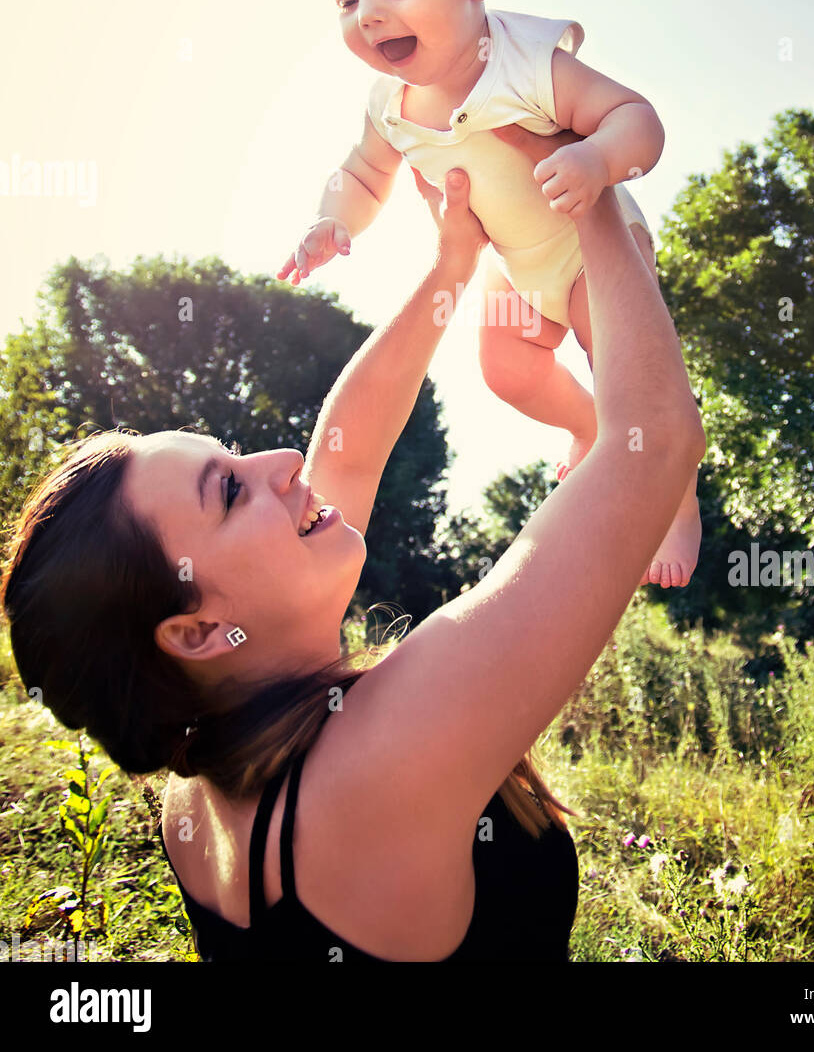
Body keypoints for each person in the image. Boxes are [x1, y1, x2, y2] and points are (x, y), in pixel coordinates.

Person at [0, 125, 704, 963]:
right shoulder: (379, 755)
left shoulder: (196, 796)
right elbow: (652, 441)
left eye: (234, 454)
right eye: (228, 490)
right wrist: (587, 177)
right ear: (191, 630)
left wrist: (451, 268)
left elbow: (348, 450)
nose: (284, 462)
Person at [277, 0, 701, 590]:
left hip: (591, 244)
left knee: (624, 370)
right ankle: (584, 427)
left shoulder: (524, 63)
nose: (368, 14)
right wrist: (330, 220)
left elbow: (638, 120)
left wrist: (597, 159)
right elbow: (363, 174)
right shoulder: (388, 106)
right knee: (505, 370)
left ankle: (675, 492)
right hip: (514, 263)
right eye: (346, 1)